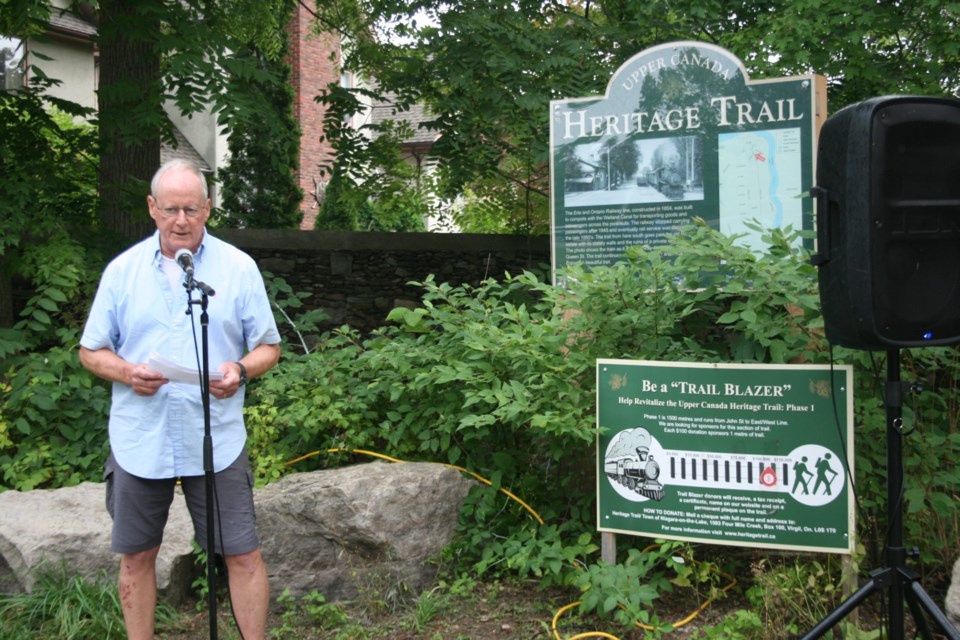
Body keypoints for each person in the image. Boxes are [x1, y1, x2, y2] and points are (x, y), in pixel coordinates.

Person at [79, 159, 281, 640]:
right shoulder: (123, 271)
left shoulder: (237, 268)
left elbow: (269, 346)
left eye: (192, 208)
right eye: (170, 209)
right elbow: (90, 350)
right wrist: (127, 372)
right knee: (137, 555)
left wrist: (240, 368)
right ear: (152, 208)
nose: (181, 221)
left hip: (216, 434)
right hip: (140, 434)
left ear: (208, 208)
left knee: (242, 552)